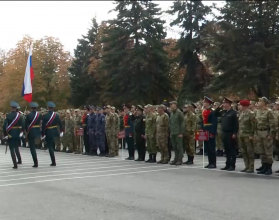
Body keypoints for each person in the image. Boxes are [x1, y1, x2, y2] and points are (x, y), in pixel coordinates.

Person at [215, 97, 239, 171]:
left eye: (225, 103)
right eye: (223, 103)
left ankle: (232, 165)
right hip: (224, 133)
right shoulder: (224, 112)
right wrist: (219, 107)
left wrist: (235, 133)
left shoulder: (233, 113)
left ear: (229, 104)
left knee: (232, 150)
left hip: (231, 133)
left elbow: (236, 124)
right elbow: (215, 113)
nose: (224, 104)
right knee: (227, 150)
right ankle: (227, 164)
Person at [255, 97, 275, 175]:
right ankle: (264, 166)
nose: (259, 102)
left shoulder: (269, 112)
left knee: (268, 151)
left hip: (266, 132)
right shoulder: (258, 112)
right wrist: (255, 134)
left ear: (264, 103)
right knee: (261, 150)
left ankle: (269, 167)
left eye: (260, 101)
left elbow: (272, 124)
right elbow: (256, 124)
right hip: (259, 132)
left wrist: (271, 134)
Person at [41, 101, 64, 166]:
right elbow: (60, 124)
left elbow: (43, 126)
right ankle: (53, 160)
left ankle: (53, 162)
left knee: (50, 146)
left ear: (48, 107)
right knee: (53, 144)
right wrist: (62, 131)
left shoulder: (45, 115)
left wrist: (43, 134)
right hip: (54, 131)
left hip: (48, 132)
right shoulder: (56, 115)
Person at [3, 101, 24, 169]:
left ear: (11, 108)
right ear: (16, 108)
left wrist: (5, 134)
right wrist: (21, 132)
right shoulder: (20, 115)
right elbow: (23, 124)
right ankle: (19, 160)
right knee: (16, 147)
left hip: (10, 133)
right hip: (17, 133)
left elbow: (4, 125)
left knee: (12, 149)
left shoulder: (8, 115)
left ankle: (15, 164)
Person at [238, 100, 255, 173]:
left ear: (244, 106)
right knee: (244, 151)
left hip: (248, 135)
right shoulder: (241, 113)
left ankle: (251, 167)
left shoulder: (251, 114)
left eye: (240, 105)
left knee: (250, 152)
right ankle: (246, 166)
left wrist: (252, 135)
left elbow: (253, 125)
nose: (239, 106)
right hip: (241, 135)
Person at [25, 102, 42, 167]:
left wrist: (27, 131)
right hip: (37, 131)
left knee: (32, 148)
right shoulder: (39, 115)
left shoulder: (28, 115)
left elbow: (26, 124)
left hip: (31, 131)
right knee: (37, 145)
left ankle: (35, 162)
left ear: (31, 108)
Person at [202, 96, 218, 169]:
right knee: (207, 147)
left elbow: (214, 123)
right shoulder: (204, 111)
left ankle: (213, 163)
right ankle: (209, 162)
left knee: (211, 148)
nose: (203, 103)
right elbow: (203, 122)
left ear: (208, 103)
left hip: (210, 130)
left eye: (205, 102)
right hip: (205, 130)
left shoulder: (212, 111)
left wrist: (212, 132)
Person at [169, 101, 185, 165]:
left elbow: (182, 123)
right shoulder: (172, 114)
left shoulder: (179, 113)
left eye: (171, 104)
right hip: (173, 132)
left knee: (179, 146)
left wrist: (181, 132)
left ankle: (180, 159)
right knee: (174, 147)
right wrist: (170, 132)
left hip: (178, 132)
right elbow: (171, 124)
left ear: (175, 105)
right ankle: (176, 158)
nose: (170, 106)